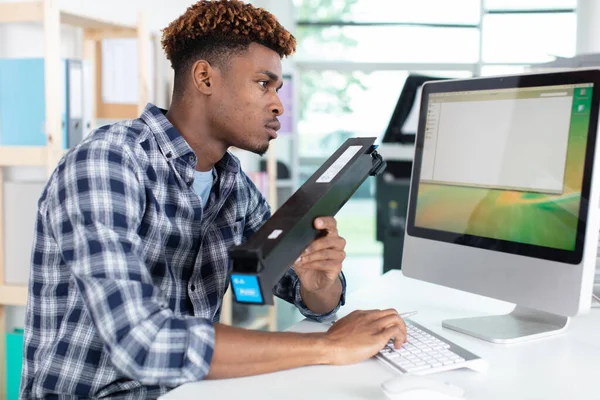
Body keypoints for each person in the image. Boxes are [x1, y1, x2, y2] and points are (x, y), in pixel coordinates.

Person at [20, 1, 408, 398]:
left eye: (278, 89)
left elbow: (310, 299)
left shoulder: (232, 184)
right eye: (263, 84)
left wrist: (318, 281)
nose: (278, 104)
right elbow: (143, 341)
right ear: (205, 77)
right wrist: (328, 347)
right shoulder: (107, 163)